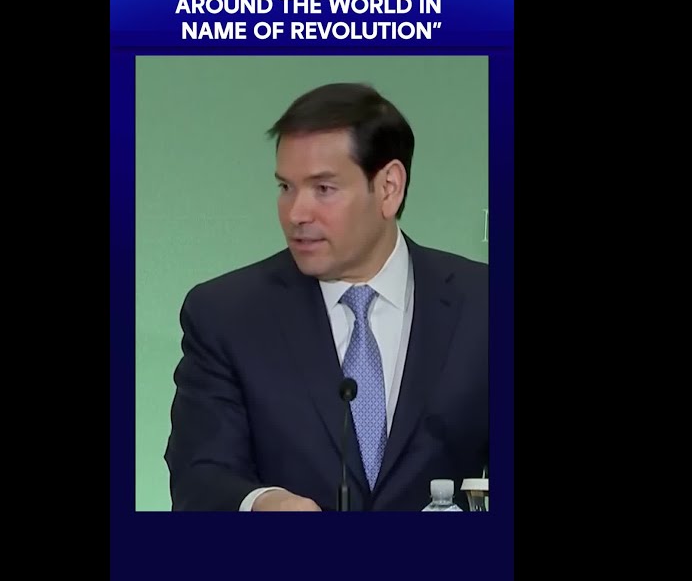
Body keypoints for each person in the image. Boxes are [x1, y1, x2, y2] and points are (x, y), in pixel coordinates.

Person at [164, 82, 489, 511]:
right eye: (285, 187)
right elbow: (199, 474)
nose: (296, 213)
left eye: (323, 189)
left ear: (389, 187)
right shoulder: (225, 315)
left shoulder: (485, 305)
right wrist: (263, 504)